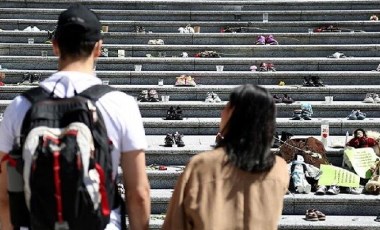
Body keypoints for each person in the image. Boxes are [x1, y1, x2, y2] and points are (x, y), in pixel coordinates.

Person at [0, 4, 150, 230]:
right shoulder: (122, 105)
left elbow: (4, 195)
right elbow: (138, 193)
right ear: (98, 48)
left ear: (55, 46)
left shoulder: (20, 107)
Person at [162, 84, 289, 230]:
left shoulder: (201, 165)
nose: (221, 113)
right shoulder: (279, 168)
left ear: (233, 114)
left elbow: (175, 224)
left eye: (226, 107)